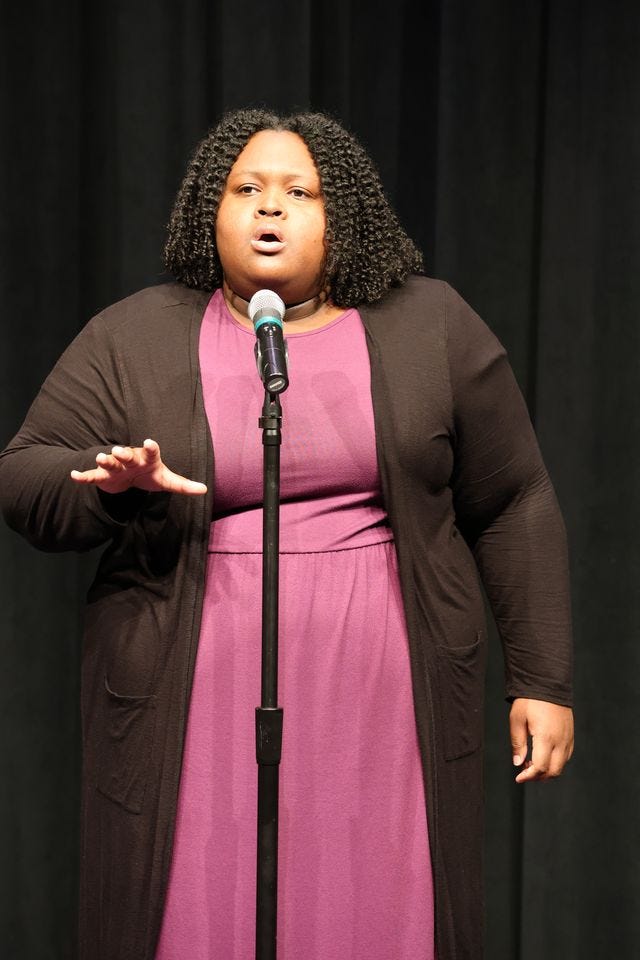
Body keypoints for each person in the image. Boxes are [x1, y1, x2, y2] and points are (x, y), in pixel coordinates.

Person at [0, 108, 574, 960]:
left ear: (345, 214)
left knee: (374, 905)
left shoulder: (433, 326)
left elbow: (514, 498)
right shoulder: (134, 336)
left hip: (385, 701)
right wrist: (108, 483)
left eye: (299, 191)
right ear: (210, 211)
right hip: (189, 698)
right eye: (247, 189)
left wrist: (542, 679)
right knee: (201, 910)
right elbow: (23, 474)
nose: (270, 206)